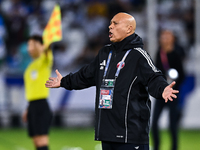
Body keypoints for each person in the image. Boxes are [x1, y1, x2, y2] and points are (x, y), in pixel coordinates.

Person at [45, 13, 179, 150]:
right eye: (110, 23)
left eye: (115, 24)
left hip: (130, 135)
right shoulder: (105, 53)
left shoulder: (138, 55)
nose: (110, 27)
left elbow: (154, 77)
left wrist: (163, 88)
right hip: (107, 134)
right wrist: (64, 81)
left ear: (129, 28)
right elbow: (85, 75)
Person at [151, 30, 185, 150]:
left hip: (173, 94)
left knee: (172, 124)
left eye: (167, 37)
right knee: (154, 123)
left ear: (172, 39)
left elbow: (182, 75)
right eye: (163, 37)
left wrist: (173, 86)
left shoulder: (176, 54)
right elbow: (156, 72)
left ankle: (174, 147)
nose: (164, 39)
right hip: (161, 93)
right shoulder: (159, 53)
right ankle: (156, 146)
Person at [22, 35, 53, 150]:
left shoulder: (45, 60)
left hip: (41, 105)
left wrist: (45, 44)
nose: (29, 48)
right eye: (29, 45)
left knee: (41, 141)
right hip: (32, 105)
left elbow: (47, 51)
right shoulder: (31, 66)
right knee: (36, 141)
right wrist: (28, 108)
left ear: (41, 46)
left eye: (32, 44)